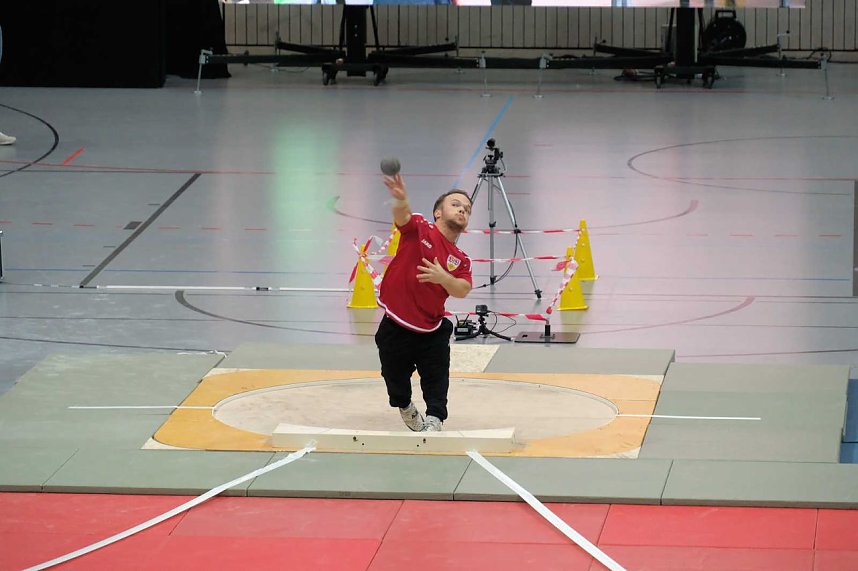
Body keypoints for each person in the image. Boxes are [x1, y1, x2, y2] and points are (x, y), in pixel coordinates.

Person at [375, 173, 473, 432]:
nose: (462, 209)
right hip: (396, 323)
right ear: (437, 212)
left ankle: (435, 418)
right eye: (455, 204)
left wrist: (444, 278)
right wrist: (400, 198)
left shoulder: (461, 259)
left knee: (437, 376)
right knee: (394, 377)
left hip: (431, 328)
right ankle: (405, 405)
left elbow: (463, 289)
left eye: (466, 209)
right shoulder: (420, 229)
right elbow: (403, 216)